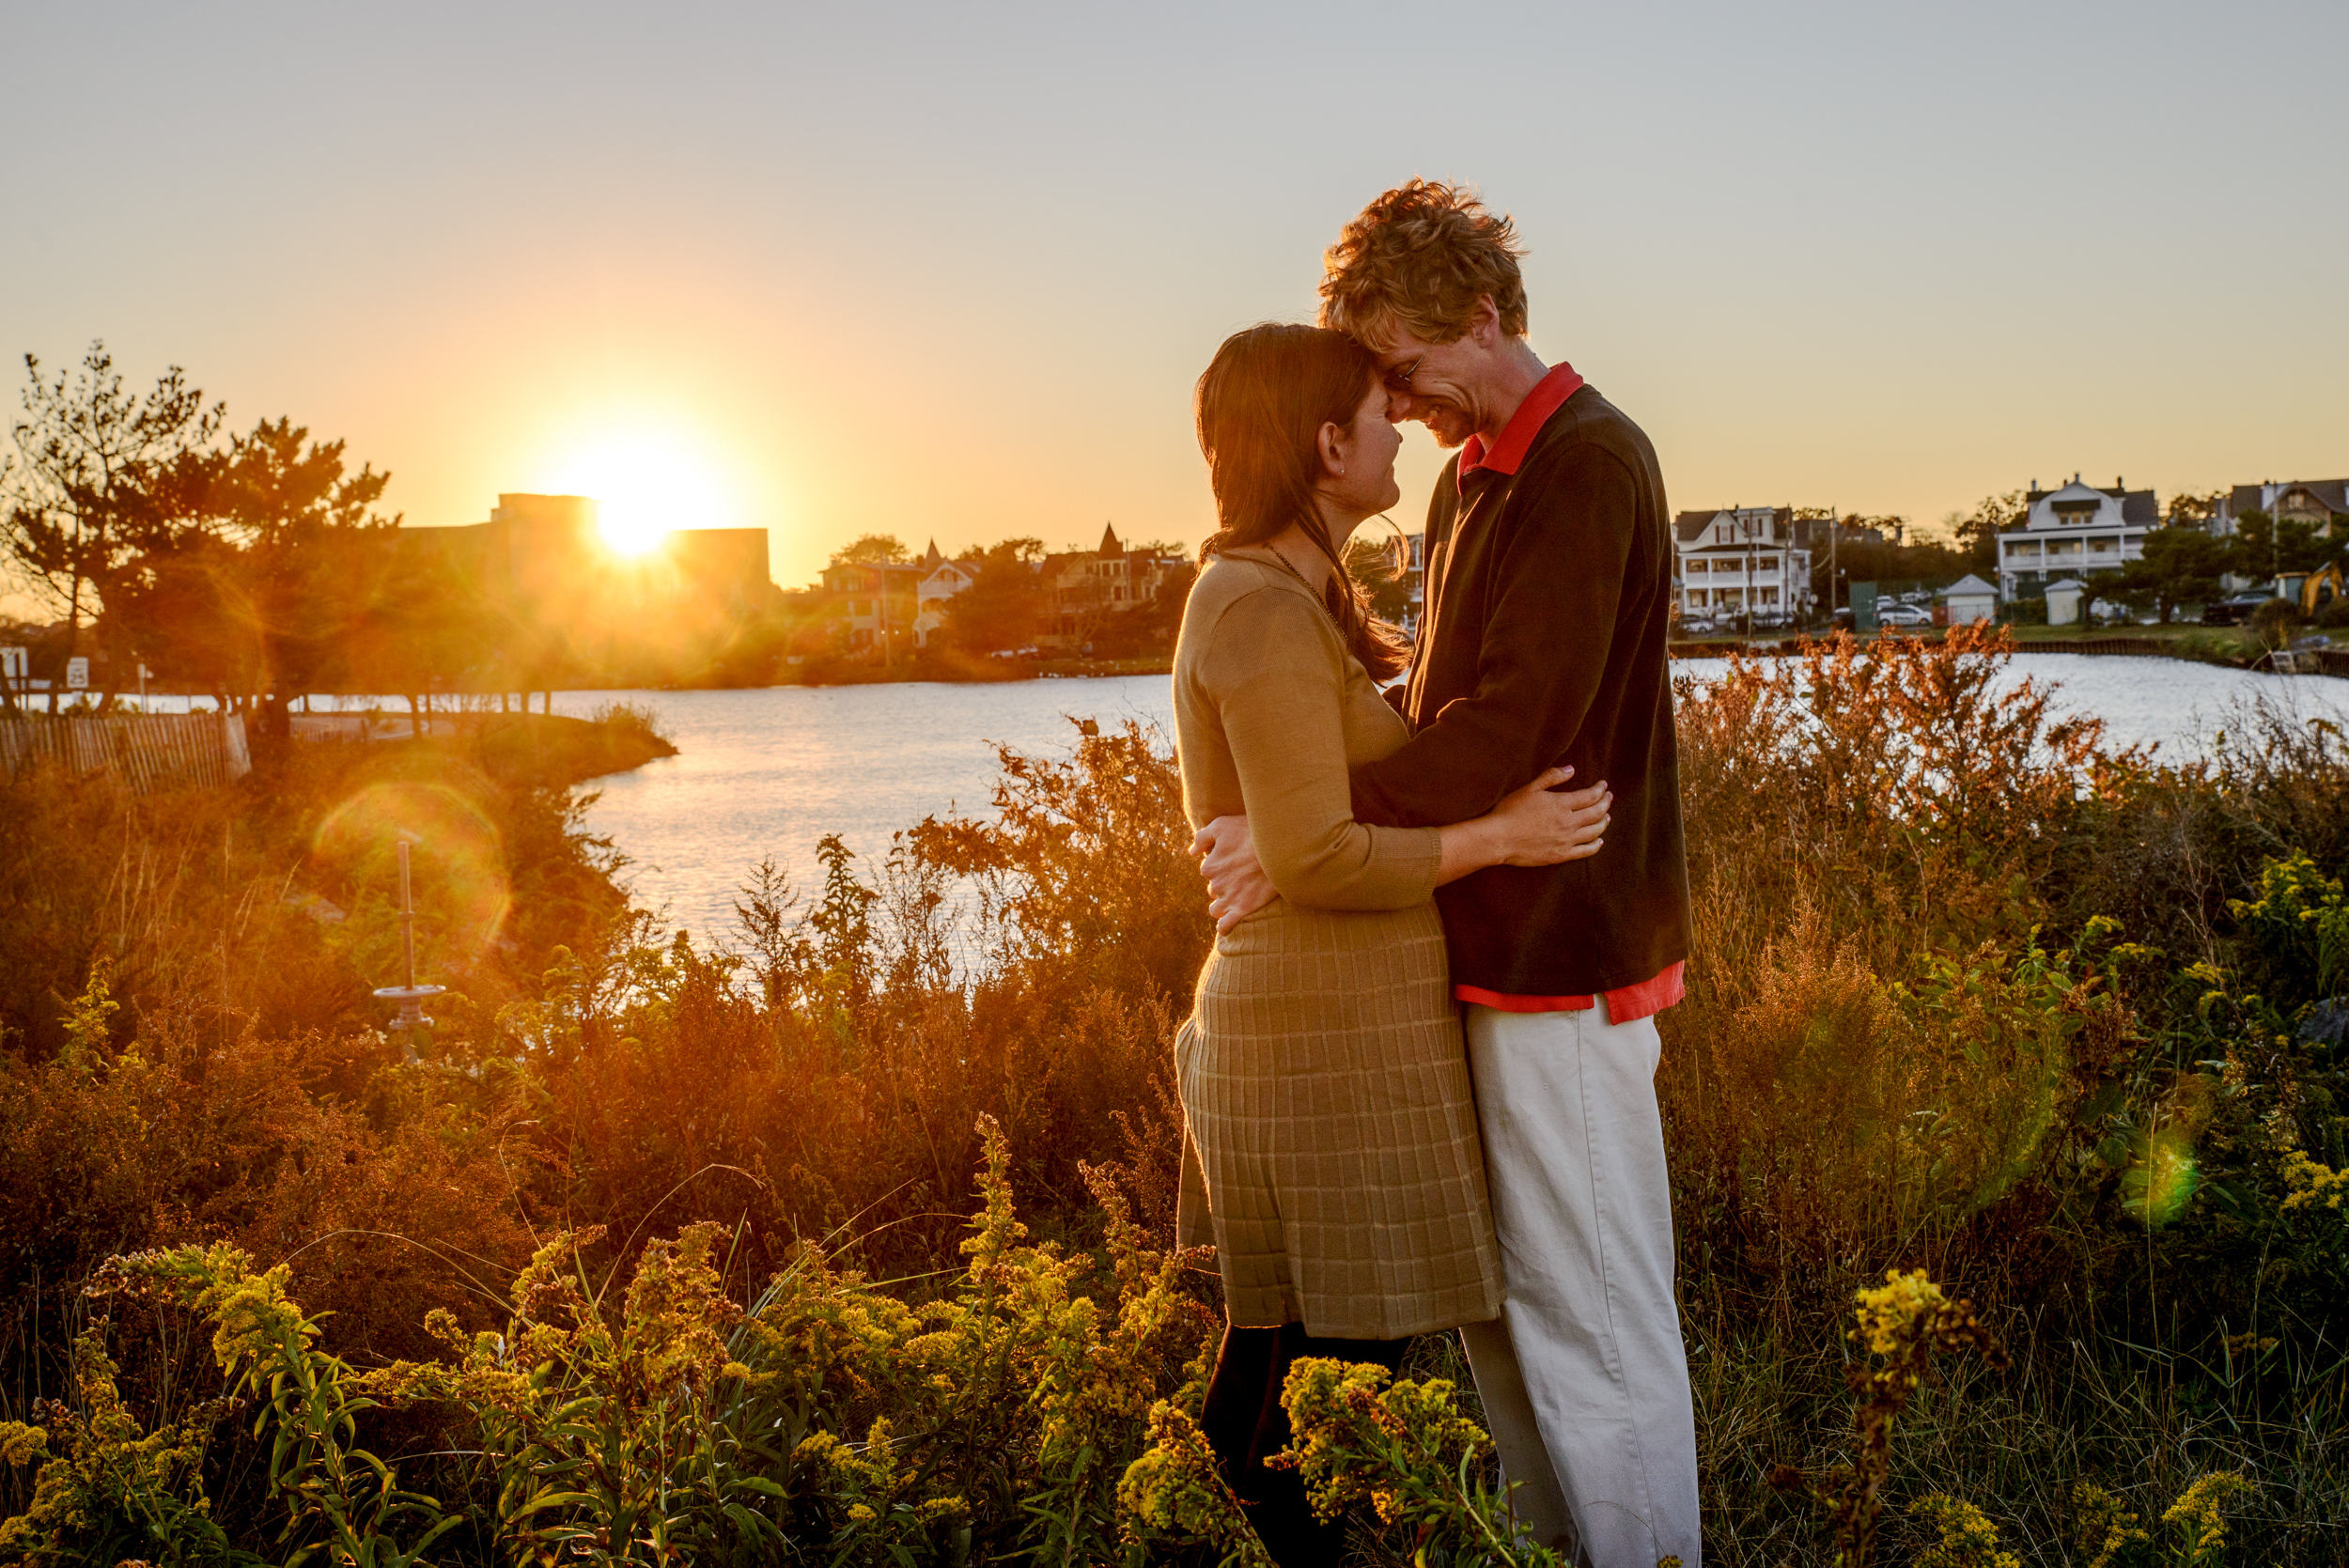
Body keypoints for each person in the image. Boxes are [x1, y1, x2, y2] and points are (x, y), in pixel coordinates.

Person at [1195, 182, 1700, 1567]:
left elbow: (1515, 720)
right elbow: (1444, 695)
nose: (1400, 404)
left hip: (1563, 954)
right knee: (1512, 1316)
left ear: (1481, 317)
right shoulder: (1475, 480)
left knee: (1596, 1320)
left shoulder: (1588, 461)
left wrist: (1308, 814)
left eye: (1408, 370)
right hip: (1481, 948)